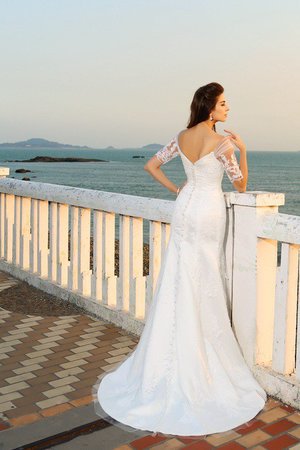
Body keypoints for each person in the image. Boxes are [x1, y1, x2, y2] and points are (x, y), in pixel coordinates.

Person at [92, 82, 267, 437]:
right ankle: (199, 360)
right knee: (204, 280)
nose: (227, 109)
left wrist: (177, 190)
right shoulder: (222, 144)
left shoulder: (181, 136)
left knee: (179, 278)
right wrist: (244, 150)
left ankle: (172, 353)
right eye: (223, 103)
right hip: (209, 212)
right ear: (209, 108)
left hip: (186, 208)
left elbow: (151, 166)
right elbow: (241, 185)